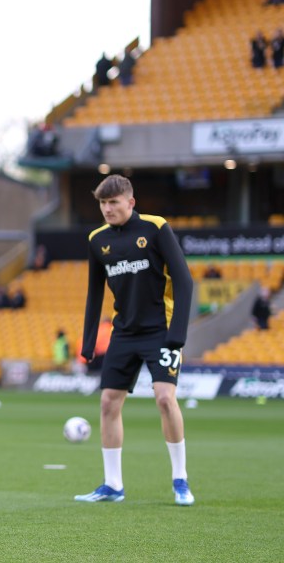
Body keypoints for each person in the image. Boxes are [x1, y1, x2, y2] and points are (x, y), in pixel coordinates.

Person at [76, 174, 195, 506]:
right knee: (108, 403)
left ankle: (180, 480)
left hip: (161, 329)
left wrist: (178, 336)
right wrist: (88, 340)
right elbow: (93, 292)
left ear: (131, 202)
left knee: (164, 399)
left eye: (113, 202)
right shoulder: (97, 239)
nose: (107, 209)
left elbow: (185, 282)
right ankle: (113, 485)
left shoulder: (156, 228)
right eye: (102, 203)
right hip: (124, 333)